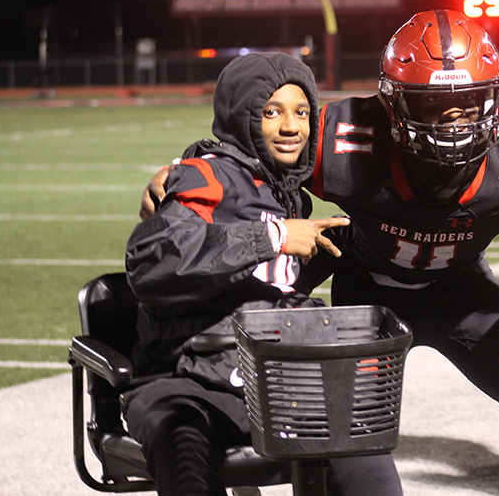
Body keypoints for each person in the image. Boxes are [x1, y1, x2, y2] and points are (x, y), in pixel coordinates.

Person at [145, 10, 499, 496]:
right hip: (366, 304)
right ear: (392, 102)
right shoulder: (344, 138)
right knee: (339, 447)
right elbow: (250, 155)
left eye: (468, 98)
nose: (456, 118)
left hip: (464, 296)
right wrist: (187, 168)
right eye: (432, 103)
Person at [122, 52, 403, 496]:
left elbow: (265, 286)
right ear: (242, 116)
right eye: (271, 112)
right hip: (189, 380)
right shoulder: (204, 176)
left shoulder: (288, 195)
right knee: (184, 452)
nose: (291, 126)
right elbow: (151, 261)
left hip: (274, 378)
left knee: (365, 454)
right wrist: (270, 238)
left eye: (301, 112)